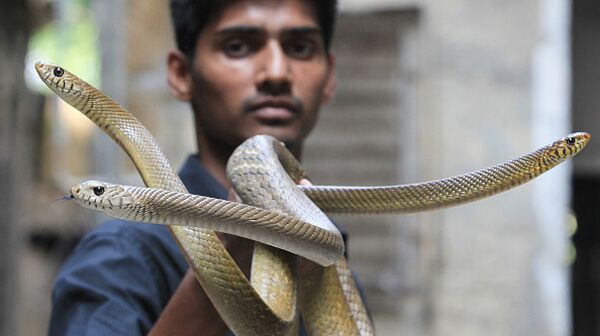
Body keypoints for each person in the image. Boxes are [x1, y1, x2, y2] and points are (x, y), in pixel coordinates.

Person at [48, 0, 359, 335]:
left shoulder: (328, 261)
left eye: (299, 48)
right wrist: (229, 257)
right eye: (238, 46)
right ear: (181, 74)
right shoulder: (119, 257)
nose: (276, 73)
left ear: (329, 77)